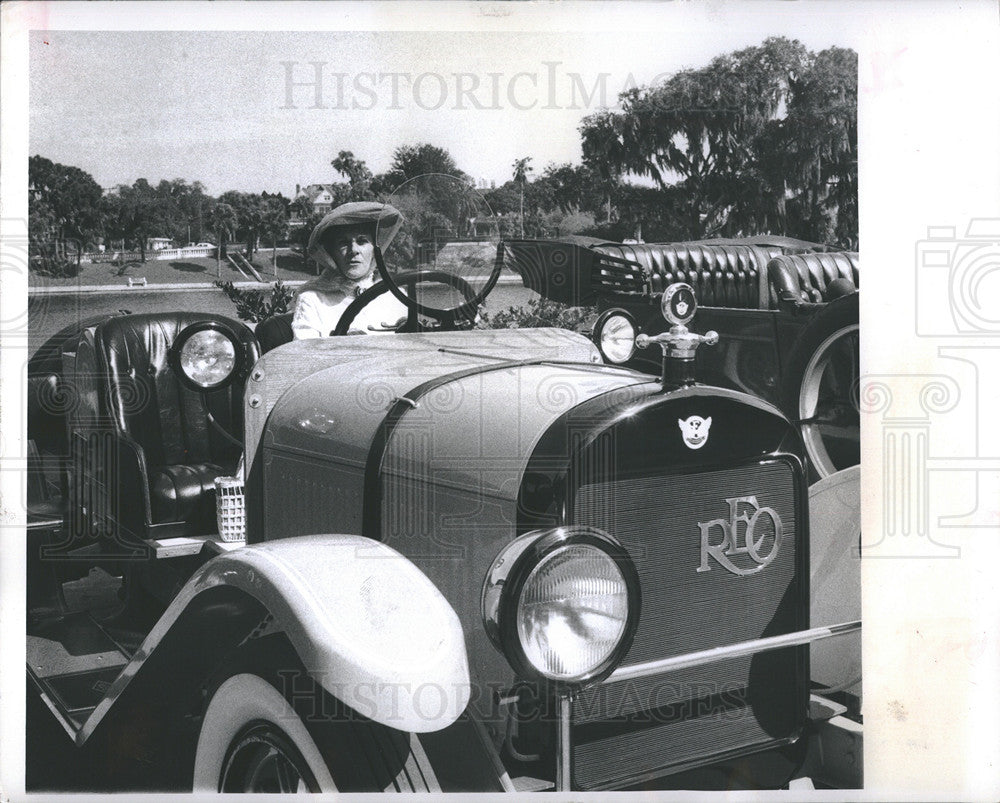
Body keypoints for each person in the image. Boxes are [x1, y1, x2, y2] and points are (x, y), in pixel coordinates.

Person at [291, 201, 408, 339]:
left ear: (375, 249)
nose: (353, 251)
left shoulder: (396, 295)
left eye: (362, 241)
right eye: (343, 243)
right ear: (331, 253)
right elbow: (304, 356)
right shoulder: (312, 300)